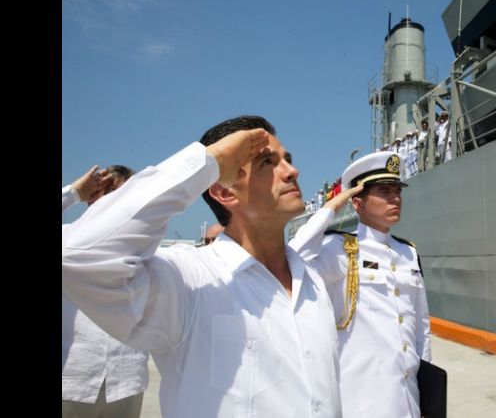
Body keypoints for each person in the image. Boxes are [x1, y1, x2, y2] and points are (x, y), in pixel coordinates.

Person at [62, 115, 343, 418]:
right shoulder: (189, 279)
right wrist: (208, 162)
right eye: (267, 163)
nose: (292, 172)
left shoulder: (312, 281)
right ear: (224, 192)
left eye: (288, 160)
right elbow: (77, 256)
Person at [290, 151, 432, 418]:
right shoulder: (341, 249)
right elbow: (293, 258)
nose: (395, 198)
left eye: (397, 190)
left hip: (408, 399)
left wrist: (426, 393)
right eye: (384, 191)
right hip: (363, 400)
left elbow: (421, 329)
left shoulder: (408, 252)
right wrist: (330, 208)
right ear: (357, 202)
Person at [62, 164, 150, 418]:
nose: (115, 200)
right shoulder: (66, 240)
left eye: (124, 194)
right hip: (72, 382)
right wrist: (75, 193)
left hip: (127, 382)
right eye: (108, 191)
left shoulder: (148, 250)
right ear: (93, 197)